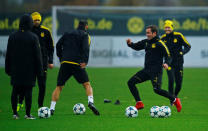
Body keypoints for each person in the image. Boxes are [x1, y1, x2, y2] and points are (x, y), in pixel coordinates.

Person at [126, 25, 182, 112]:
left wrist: (166, 63)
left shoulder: (160, 43)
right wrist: (130, 44)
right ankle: (139, 103)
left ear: (154, 33)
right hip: (146, 70)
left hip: (156, 72)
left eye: (148, 33)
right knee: (131, 82)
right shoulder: (146, 42)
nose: (147, 34)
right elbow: (137, 46)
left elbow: (168, 55)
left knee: (157, 90)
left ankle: (175, 100)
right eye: (146, 33)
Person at [49, 20, 100, 116]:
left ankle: (51, 108)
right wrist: (85, 61)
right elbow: (86, 48)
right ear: (86, 27)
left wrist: (61, 58)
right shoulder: (85, 35)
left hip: (65, 63)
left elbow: (58, 45)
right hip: (77, 63)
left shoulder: (67, 33)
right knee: (87, 84)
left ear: (77, 26)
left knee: (59, 87)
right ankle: (90, 102)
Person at [5, 14, 43, 119]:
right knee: (28, 91)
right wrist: (39, 71)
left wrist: (7, 68)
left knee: (15, 90)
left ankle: (15, 113)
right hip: (29, 70)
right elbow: (37, 56)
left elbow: (8, 54)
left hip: (15, 68)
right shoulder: (33, 37)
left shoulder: (12, 36)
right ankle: (28, 114)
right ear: (29, 23)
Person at [17, 12, 54, 110]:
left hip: (42, 63)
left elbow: (51, 47)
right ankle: (20, 101)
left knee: (42, 85)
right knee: (26, 84)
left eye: (38, 20)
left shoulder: (46, 31)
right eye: (35, 20)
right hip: (30, 63)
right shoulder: (27, 31)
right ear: (31, 21)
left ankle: (40, 106)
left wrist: (51, 61)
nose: (37, 22)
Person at [161, 20, 191, 100]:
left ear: (172, 27)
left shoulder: (178, 35)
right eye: (166, 27)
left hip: (179, 63)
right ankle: (172, 99)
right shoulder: (163, 38)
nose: (167, 29)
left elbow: (188, 46)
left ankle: (175, 96)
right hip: (169, 64)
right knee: (171, 80)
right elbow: (159, 51)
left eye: (168, 27)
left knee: (179, 84)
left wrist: (182, 52)